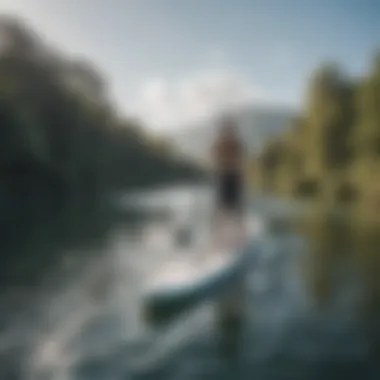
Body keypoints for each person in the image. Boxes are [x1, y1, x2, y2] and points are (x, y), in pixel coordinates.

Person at [211, 115, 246, 237]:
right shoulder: (227, 143)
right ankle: (221, 234)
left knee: (234, 207)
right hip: (226, 176)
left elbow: (215, 157)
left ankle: (238, 233)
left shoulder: (233, 143)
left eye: (229, 128)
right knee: (224, 207)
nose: (228, 131)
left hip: (231, 176)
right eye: (227, 128)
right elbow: (214, 157)